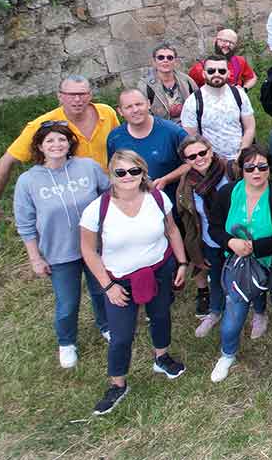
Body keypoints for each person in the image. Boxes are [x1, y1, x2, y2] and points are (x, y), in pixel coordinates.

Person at [79, 150, 188, 415]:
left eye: (134, 171)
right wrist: (107, 286)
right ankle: (118, 384)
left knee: (161, 316)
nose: (128, 177)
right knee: (121, 335)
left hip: (159, 269)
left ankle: (161, 357)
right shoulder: (97, 210)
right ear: (111, 175)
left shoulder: (158, 198)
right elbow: (89, 250)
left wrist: (182, 263)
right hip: (119, 279)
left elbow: (171, 230)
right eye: (121, 172)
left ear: (143, 173)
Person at [14, 121, 111, 368]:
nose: (56, 145)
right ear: (39, 146)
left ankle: (106, 326)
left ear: (70, 143)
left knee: (102, 290)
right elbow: (25, 223)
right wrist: (35, 257)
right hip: (59, 252)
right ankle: (66, 342)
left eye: (62, 140)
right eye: (50, 141)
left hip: (94, 246)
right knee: (67, 302)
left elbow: (110, 194)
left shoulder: (87, 167)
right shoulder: (28, 181)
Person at [0, 76, 120, 234]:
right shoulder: (44, 124)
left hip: (109, 195)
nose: (77, 99)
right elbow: (6, 161)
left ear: (90, 95)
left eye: (82, 94)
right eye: (70, 95)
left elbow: (120, 149)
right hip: (73, 202)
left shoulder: (106, 113)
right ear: (60, 96)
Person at [206, 145, 272, 383]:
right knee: (234, 314)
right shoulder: (227, 193)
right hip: (237, 263)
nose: (256, 172)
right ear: (241, 169)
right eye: (250, 167)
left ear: (269, 168)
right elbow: (214, 227)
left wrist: (257, 247)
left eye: (262, 167)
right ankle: (227, 354)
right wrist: (230, 242)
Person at [175, 135, 233, 337]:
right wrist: (195, 250)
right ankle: (215, 311)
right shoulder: (186, 184)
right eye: (192, 157)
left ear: (211, 151)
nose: (199, 158)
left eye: (202, 152)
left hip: (236, 237)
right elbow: (189, 221)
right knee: (215, 277)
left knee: (246, 275)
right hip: (210, 240)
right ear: (186, 161)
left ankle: (258, 311)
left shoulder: (230, 170)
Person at [106, 88, 189, 192]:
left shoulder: (172, 132)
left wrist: (166, 179)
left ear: (149, 104)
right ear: (120, 111)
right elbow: (113, 172)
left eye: (139, 104)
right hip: (134, 201)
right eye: (128, 107)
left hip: (171, 200)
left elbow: (191, 163)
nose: (135, 110)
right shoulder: (115, 138)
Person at [180, 55, 255, 162]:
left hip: (240, 159)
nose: (217, 74)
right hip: (211, 163)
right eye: (211, 71)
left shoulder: (239, 94)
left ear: (228, 73)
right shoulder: (193, 101)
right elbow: (191, 139)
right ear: (204, 74)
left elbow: (250, 127)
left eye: (222, 71)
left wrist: (241, 154)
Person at [140, 44, 197, 121]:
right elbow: (142, 113)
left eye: (170, 58)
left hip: (188, 126)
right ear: (154, 61)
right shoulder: (145, 86)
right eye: (161, 57)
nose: (165, 60)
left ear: (175, 61)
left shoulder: (186, 80)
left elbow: (199, 102)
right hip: (161, 128)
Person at [190, 29, 258, 90]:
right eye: (224, 41)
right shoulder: (198, 68)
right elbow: (189, 89)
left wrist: (244, 89)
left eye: (232, 43)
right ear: (216, 41)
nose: (227, 45)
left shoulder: (240, 61)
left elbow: (252, 77)